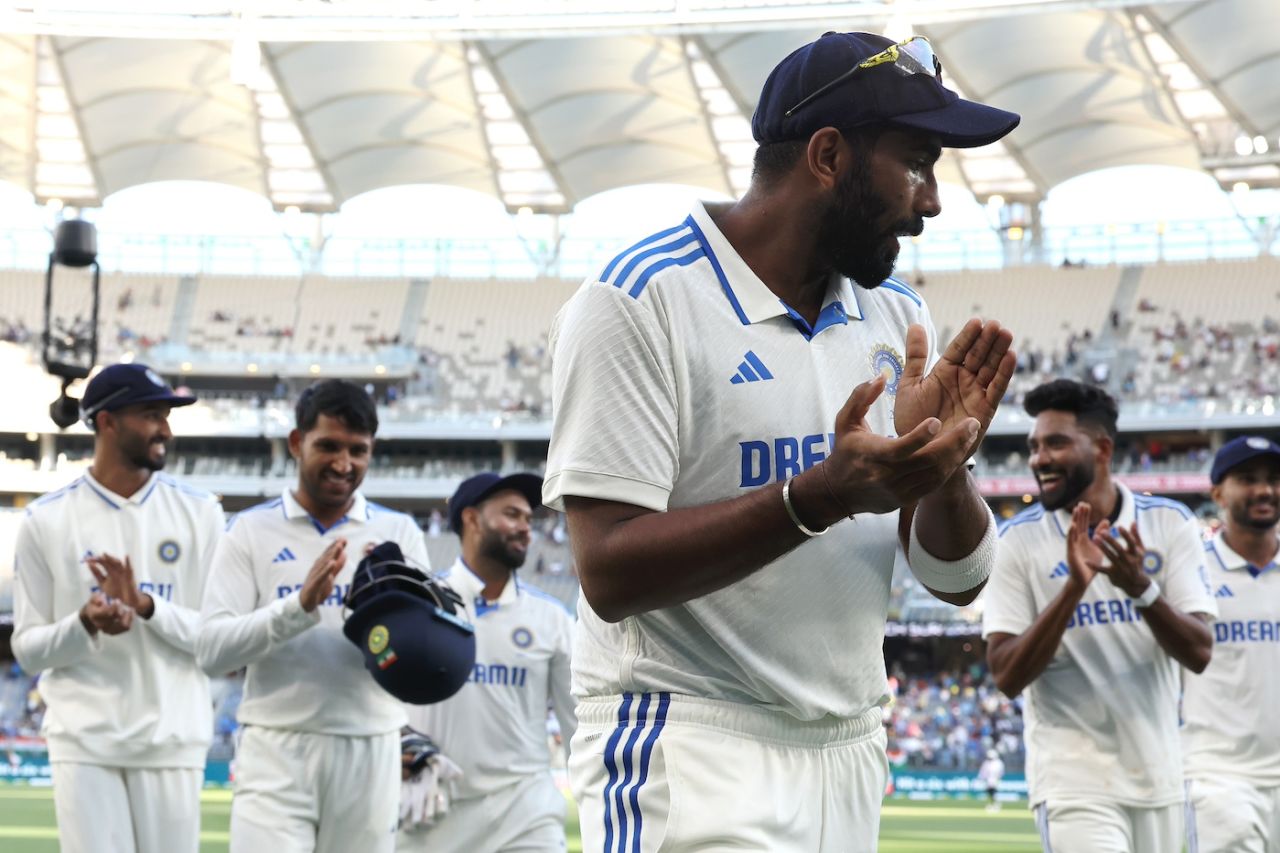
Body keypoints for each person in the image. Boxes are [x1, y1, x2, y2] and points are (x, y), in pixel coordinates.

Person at [543, 31, 1021, 852]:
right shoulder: (639, 299)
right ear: (829, 155)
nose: (932, 200)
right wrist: (819, 496)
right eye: (916, 161)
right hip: (688, 741)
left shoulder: (895, 315)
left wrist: (944, 470)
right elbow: (608, 571)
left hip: (849, 744)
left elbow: (955, 578)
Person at [983, 379, 1216, 853]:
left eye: (1056, 443)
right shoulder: (1016, 541)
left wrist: (1141, 589)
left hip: (1161, 780)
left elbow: (1199, 652)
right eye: (1033, 446)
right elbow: (1005, 675)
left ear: (1103, 449)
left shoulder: (1169, 524)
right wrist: (1074, 587)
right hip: (1072, 783)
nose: (1038, 459)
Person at [197, 379, 429, 853]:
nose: (344, 464)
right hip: (276, 748)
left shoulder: (399, 533)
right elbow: (211, 650)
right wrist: (297, 607)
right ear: (297, 443)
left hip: (370, 746)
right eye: (328, 446)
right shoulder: (249, 530)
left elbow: (416, 652)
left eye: (358, 450)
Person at [11, 363, 224, 853]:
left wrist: (147, 606)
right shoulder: (46, 520)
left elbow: (218, 641)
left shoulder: (201, 512)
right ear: (107, 422)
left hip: (173, 741)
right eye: (152, 414)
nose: (166, 430)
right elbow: (28, 650)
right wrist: (84, 622)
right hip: (84, 743)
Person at [397, 471, 575, 852]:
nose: (525, 528)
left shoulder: (553, 619)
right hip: (432, 813)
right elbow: (374, 700)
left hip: (527, 816)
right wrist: (399, 743)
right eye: (512, 514)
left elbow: (579, 727)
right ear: (471, 519)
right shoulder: (417, 607)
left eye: (529, 518)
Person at [1182, 436, 1280, 853]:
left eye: (1275, 479)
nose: (1264, 490)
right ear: (1218, 492)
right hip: (1217, 777)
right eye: (1248, 478)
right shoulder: (1190, 571)